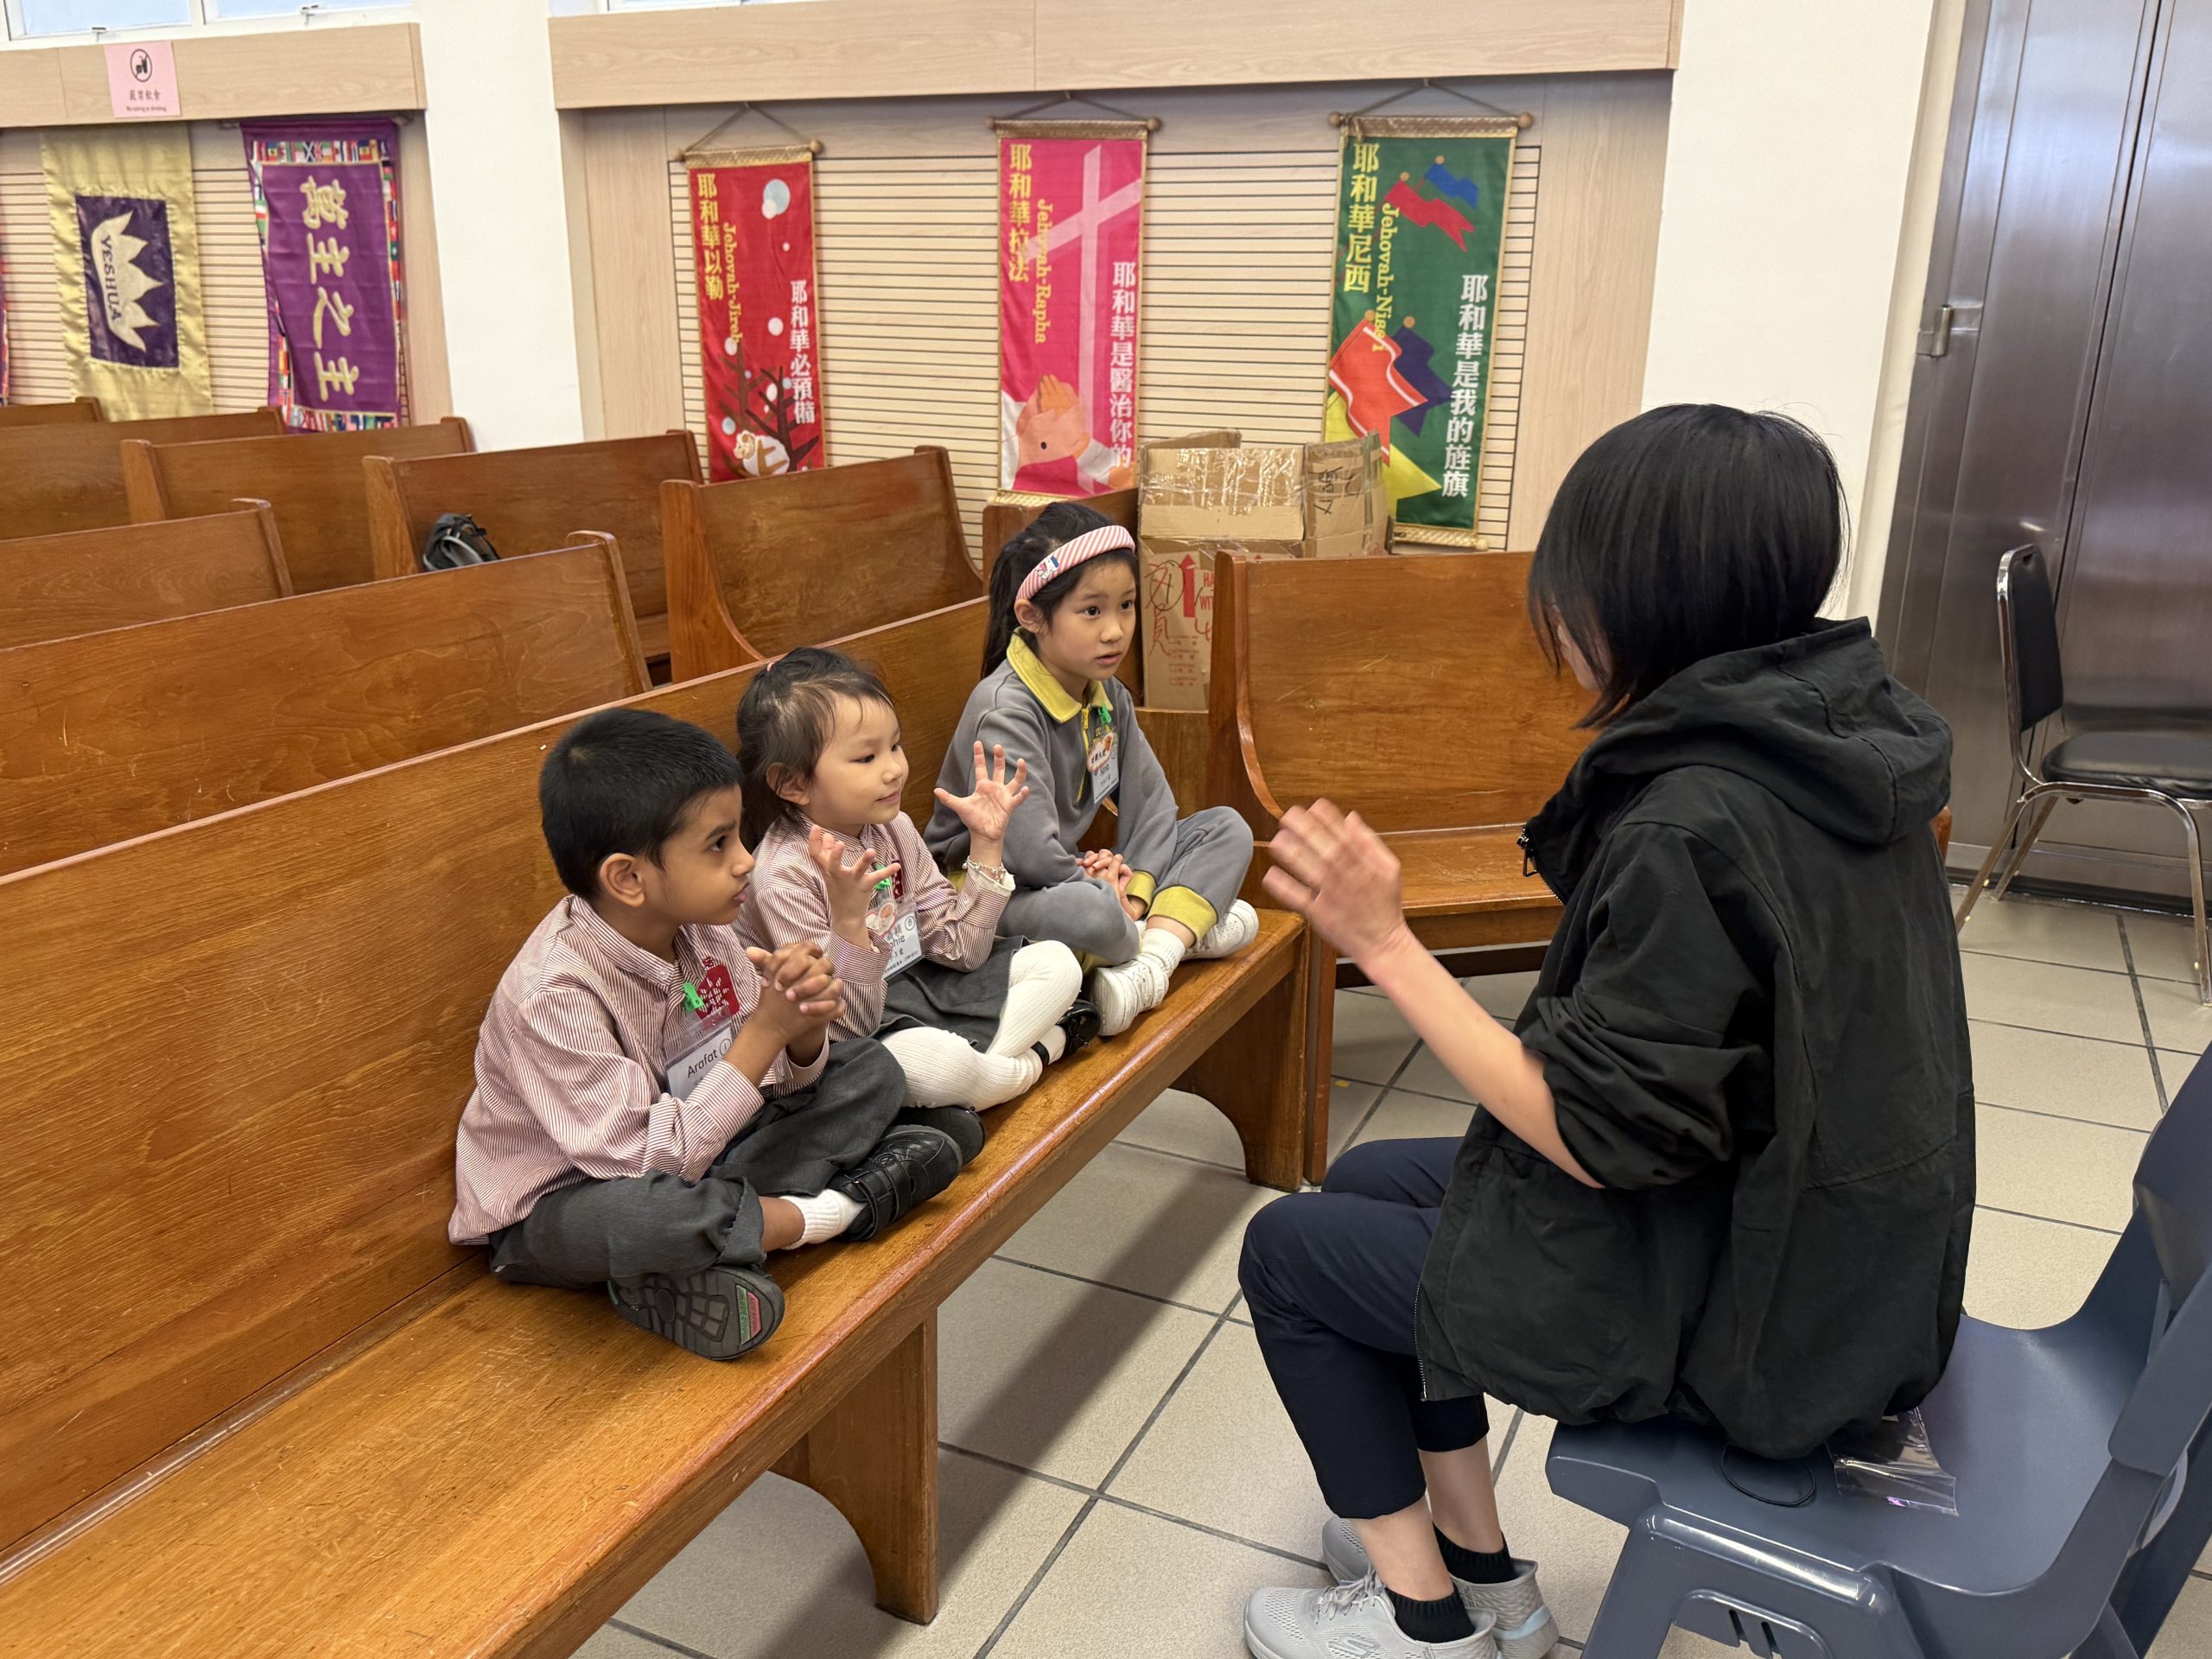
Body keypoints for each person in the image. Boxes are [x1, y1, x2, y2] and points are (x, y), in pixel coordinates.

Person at [1236, 405, 1974, 1659]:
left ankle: (1420, 1622)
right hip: (1829, 1258)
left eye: (1574, 576)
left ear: (1647, 593)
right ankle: (1482, 1570)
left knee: (1290, 1254)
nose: (1557, 609)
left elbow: (1591, 1138)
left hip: (1758, 1323)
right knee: (1369, 1180)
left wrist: (1384, 944)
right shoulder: (1838, 744)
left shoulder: (1697, 821)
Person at [448, 709, 974, 1363]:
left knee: (869, 1069)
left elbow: (771, 1082)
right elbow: (650, 1162)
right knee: (649, 1216)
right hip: (571, 1199)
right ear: (627, 878)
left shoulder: (704, 930)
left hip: (704, 1150)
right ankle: (841, 1207)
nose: (746, 861)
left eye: (738, 836)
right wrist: (764, 1032)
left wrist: (803, 1032)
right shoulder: (554, 995)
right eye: (718, 844)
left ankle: (709, 1250)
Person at [926, 504, 1259, 1035]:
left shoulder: (1106, 694)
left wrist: (1131, 893)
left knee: (1226, 828)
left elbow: (1152, 807)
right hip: (987, 891)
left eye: (1126, 605)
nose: (1115, 631)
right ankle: (1176, 933)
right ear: (1033, 616)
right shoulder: (1006, 710)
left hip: (1071, 875)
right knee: (1090, 915)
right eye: (1091, 611)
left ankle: (1148, 957)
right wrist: (1100, 891)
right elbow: (1028, 855)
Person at [737, 646, 1099, 1113]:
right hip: (860, 1034)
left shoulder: (894, 827)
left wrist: (987, 844)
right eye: (866, 757)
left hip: (920, 985)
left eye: (895, 746)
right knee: (935, 1066)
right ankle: (1037, 1056)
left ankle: (986, 1074)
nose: (894, 769)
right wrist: (850, 924)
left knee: (1058, 964)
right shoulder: (784, 875)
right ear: (793, 784)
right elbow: (849, 1028)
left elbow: (962, 951)